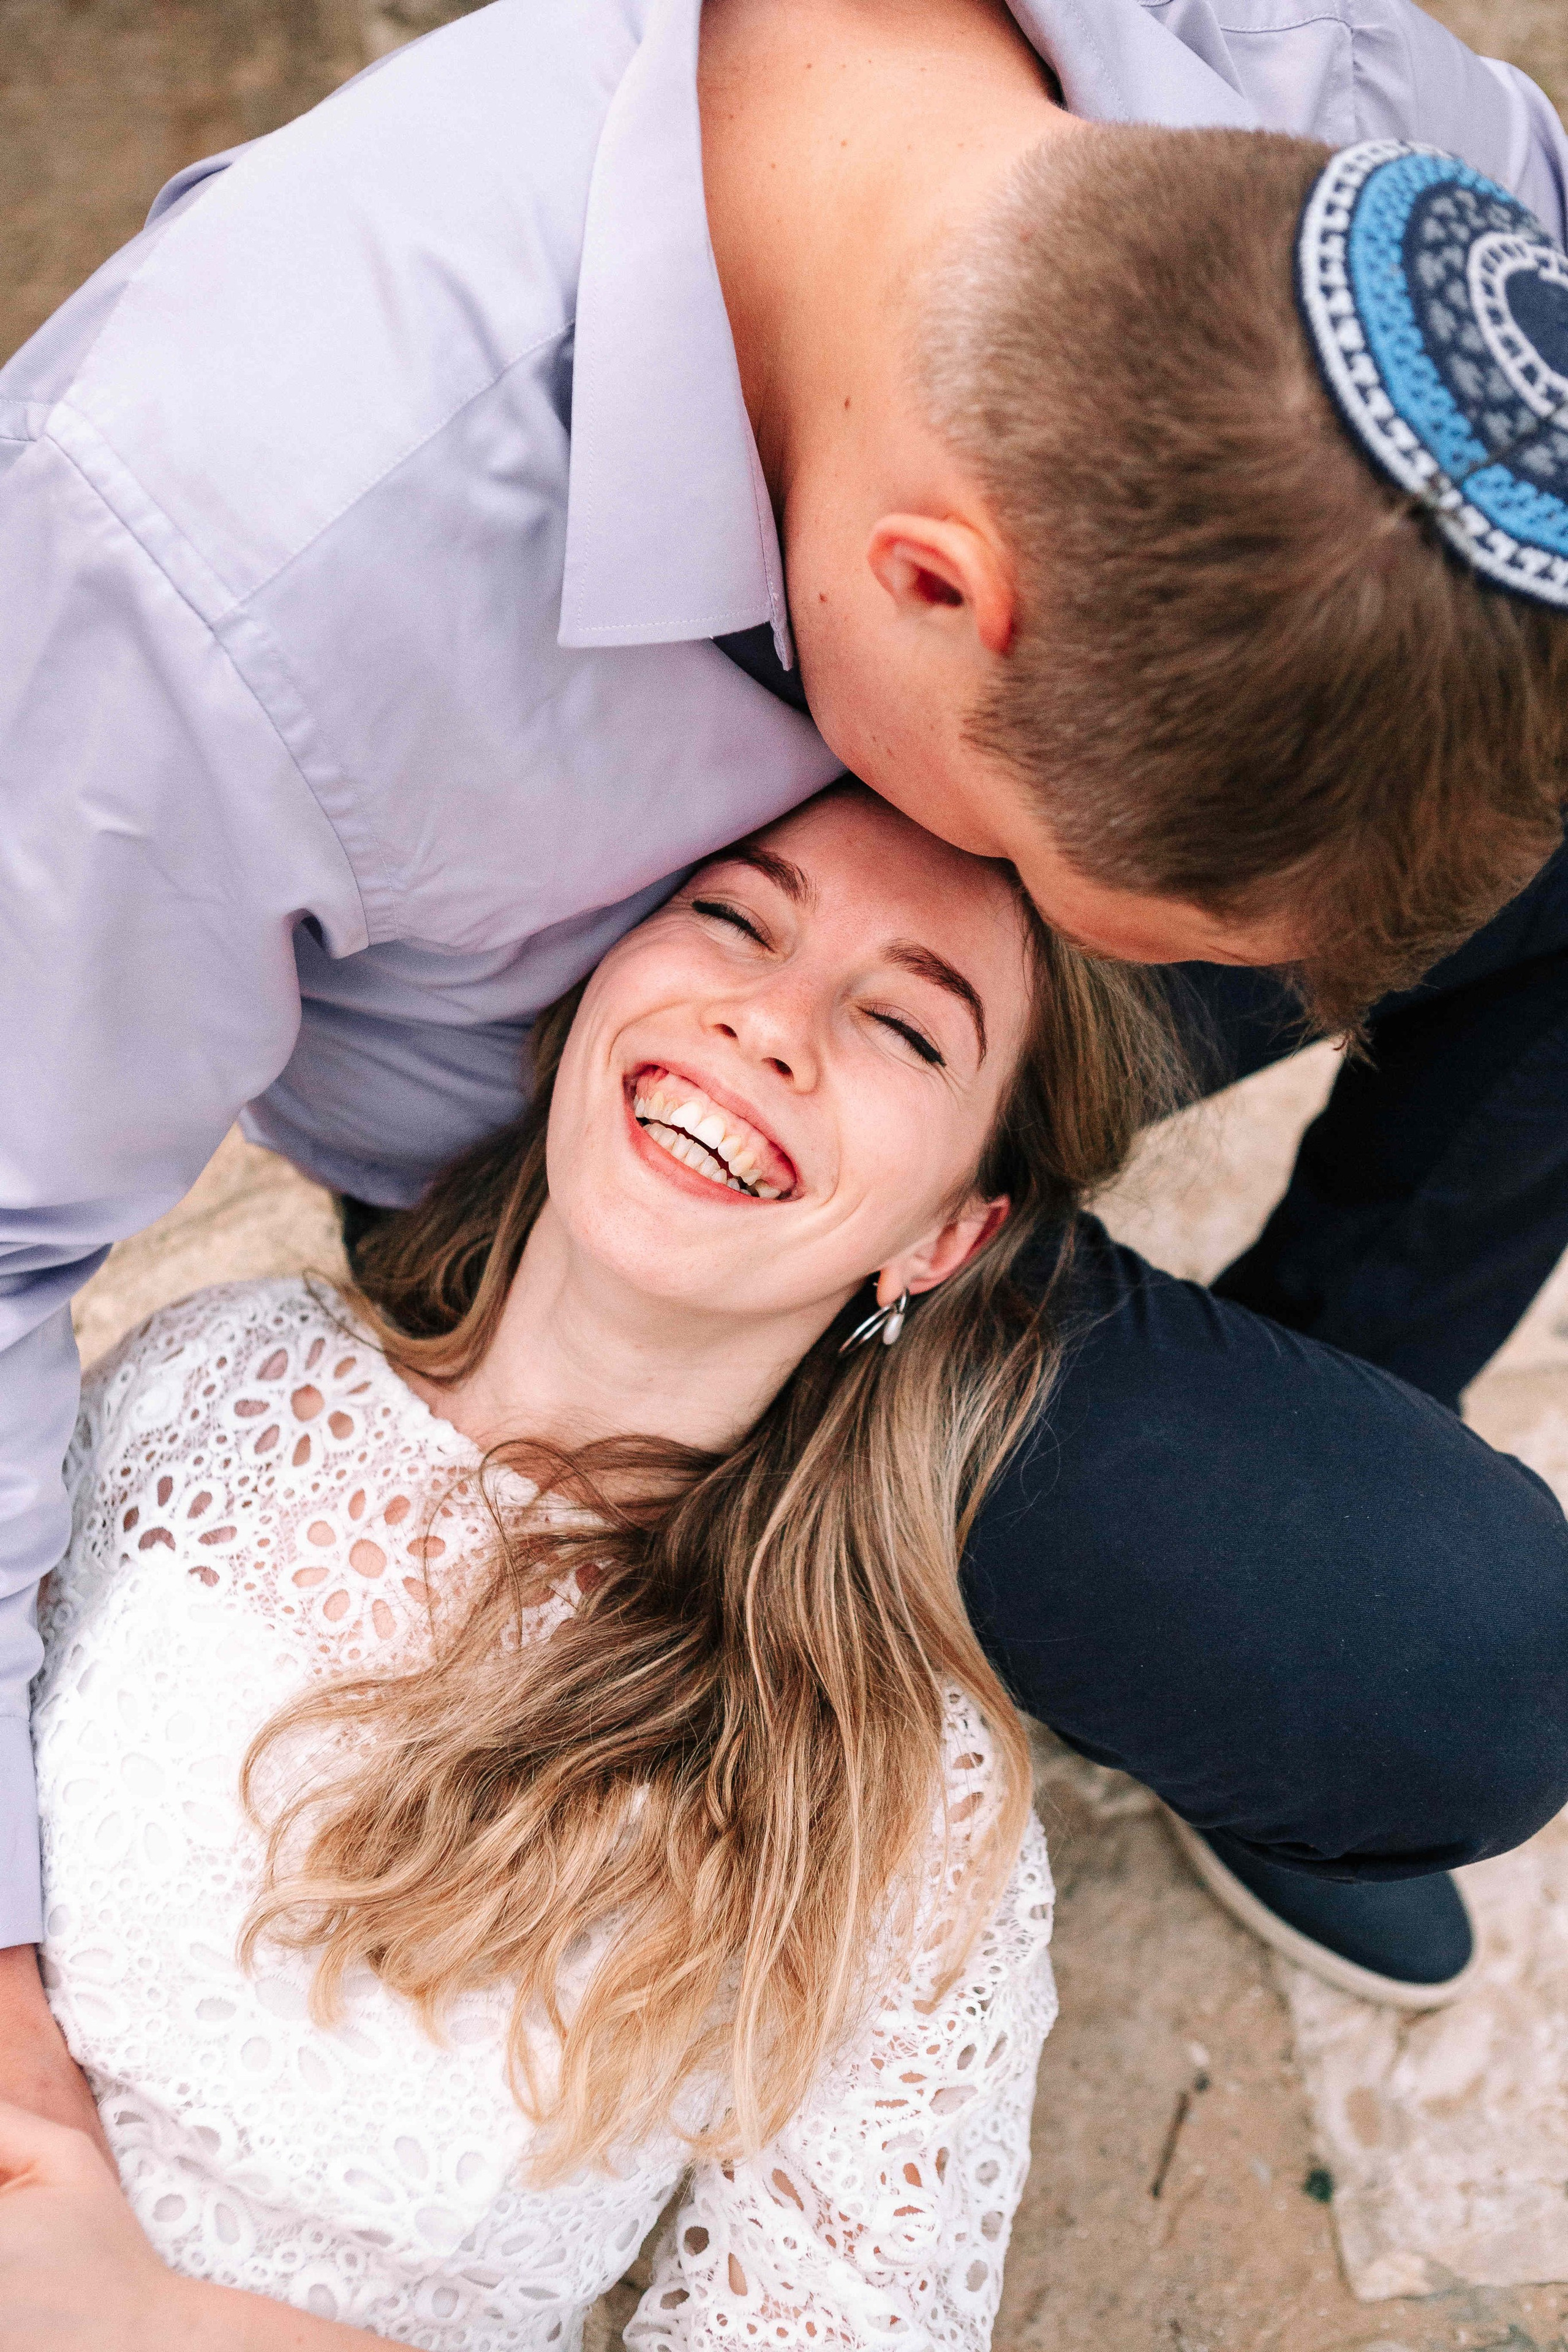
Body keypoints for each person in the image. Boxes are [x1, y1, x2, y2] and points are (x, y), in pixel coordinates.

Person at [6, 0, 1568, 2110]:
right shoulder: (194, 533)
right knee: (1461, 1685)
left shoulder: (1291, 108)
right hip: (631, 1175)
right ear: (936, 584)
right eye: (1088, 891)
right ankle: (1222, 1560)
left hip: (1007, 882)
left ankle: (1305, 1413)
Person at [0, 786, 1170, 2347]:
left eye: (902, 1027)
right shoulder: (215, 1375)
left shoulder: (894, 1800)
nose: (769, 1020)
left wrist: (138, 2323)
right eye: (734, 919)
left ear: (945, 1237)